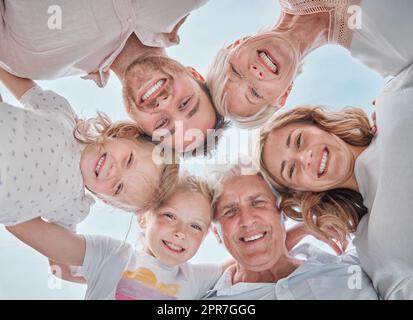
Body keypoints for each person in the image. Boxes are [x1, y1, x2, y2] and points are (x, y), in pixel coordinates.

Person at [257, 62, 413, 299]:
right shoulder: (371, 243)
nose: (305, 157)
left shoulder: (393, 104)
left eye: (299, 140)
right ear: (302, 192)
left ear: (318, 124)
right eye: (291, 170)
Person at [0, 0, 227, 153]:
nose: (164, 103)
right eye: (185, 103)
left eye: (162, 123)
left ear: (137, 126)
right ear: (194, 74)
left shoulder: (33, 59)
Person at [0, 67, 179, 233]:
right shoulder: (63, 114)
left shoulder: (74, 208)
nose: (113, 172)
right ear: (127, 133)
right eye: (129, 160)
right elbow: (17, 80)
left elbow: (62, 248)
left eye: (119, 187)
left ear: (105, 199)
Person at [6, 174, 234, 299]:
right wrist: (68, 208)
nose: (181, 232)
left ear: (205, 236)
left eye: (195, 226)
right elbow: (59, 258)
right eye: (170, 216)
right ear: (143, 218)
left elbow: (255, 258)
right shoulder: (112, 253)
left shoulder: (196, 278)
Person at [207, 0, 413, 128]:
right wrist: (395, 103)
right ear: (283, 95)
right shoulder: (387, 55)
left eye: (234, 70)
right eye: (255, 93)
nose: (253, 73)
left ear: (237, 44)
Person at [202, 164, 378, 299]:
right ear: (215, 232)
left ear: (283, 210)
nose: (247, 221)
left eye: (258, 202)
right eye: (230, 211)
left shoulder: (356, 265)